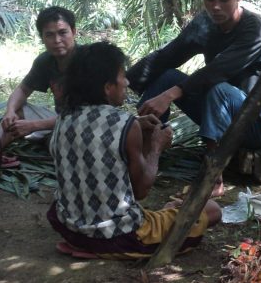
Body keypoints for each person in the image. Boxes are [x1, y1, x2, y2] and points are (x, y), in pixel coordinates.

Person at [48, 41, 221, 259]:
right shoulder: (125, 124)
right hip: (122, 236)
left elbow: (96, 136)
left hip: (70, 226)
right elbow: (140, 191)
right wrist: (157, 147)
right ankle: (101, 249)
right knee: (213, 210)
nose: (127, 82)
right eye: (122, 76)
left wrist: (137, 126)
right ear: (107, 87)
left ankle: (86, 244)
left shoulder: (64, 118)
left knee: (169, 208)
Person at [126, 0, 261, 189]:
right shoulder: (205, 23)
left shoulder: (255, 29)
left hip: (260, 122)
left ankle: (213, 177)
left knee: (217, 88)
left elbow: (218, 71)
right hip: (219, 113)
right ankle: (144, 153)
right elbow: (168, 55)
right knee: (166, 75)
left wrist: (171, 94)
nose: (216, 7)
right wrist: (123, 83)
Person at [0, 5, 77, 160]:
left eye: (62, 33)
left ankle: (48, 139)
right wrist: (10, 111)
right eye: (49, 35)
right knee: (17, 111)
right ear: (42, 38)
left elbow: (81, 116)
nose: (57, 40)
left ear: (74, 32)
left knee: (62, 147)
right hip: (59, 120)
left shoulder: (87, 61)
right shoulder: (45, 61)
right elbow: (23, 90)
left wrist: (34, 125)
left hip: (85, 124)